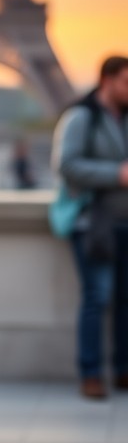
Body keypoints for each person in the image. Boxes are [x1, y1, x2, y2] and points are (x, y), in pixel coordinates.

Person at [52, 55, 128, 399]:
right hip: (93, 223)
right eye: (126, 82)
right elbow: (66, 165)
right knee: (97, 296)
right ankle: (91, 373)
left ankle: (121, 369)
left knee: (122, 298)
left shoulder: (121, 118)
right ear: (107, 80)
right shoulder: (81, 117)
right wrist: (117, 174)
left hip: (121, 220)